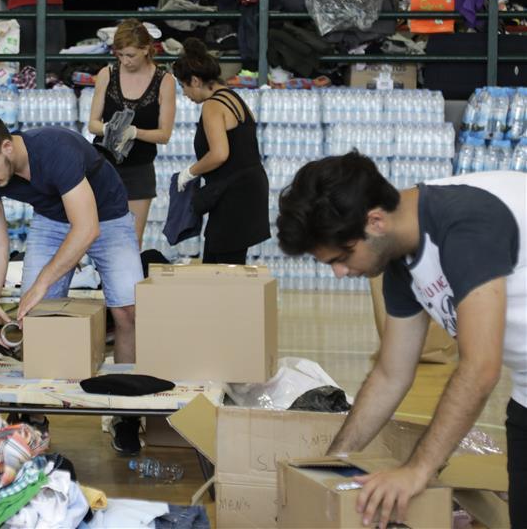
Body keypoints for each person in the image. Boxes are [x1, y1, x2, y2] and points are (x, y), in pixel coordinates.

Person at [276, 152, 526, 529]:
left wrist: (417, 469)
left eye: (341, 257)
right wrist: (333, 464)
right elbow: (391, 374)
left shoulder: (467, 225)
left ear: (374, 221)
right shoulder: (401, 256)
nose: (341, 273)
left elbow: (480, 367)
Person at [0, 106, 146, 454]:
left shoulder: (56, 149)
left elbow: (87, 228)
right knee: (34, 317)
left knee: (127, 312)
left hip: (108, 215)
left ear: (7, 147)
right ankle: (34, 416)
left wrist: (42, 283)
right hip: (52, 221)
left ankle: (125, 413)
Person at [171, 38, 269, 264]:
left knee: (220, 266)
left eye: (183, 86)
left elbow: (219, 153)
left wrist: (190, 172)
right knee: (225, 259)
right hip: (248, 188)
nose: (185, 94)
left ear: (195, 81)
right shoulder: (235, 98)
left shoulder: (213, 105)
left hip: (234, 194)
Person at [88, 19, 176, 247]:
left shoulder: (164, 81)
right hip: (104, 164)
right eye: (120, 55)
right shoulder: (107, 74)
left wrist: (135, 132)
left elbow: (164, 134)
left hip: (139, 168)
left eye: (131, 55)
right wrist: (109, 129)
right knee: (98, 235)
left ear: (146, 50)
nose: (125, 61)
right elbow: (92, 124)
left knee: (131, 239)